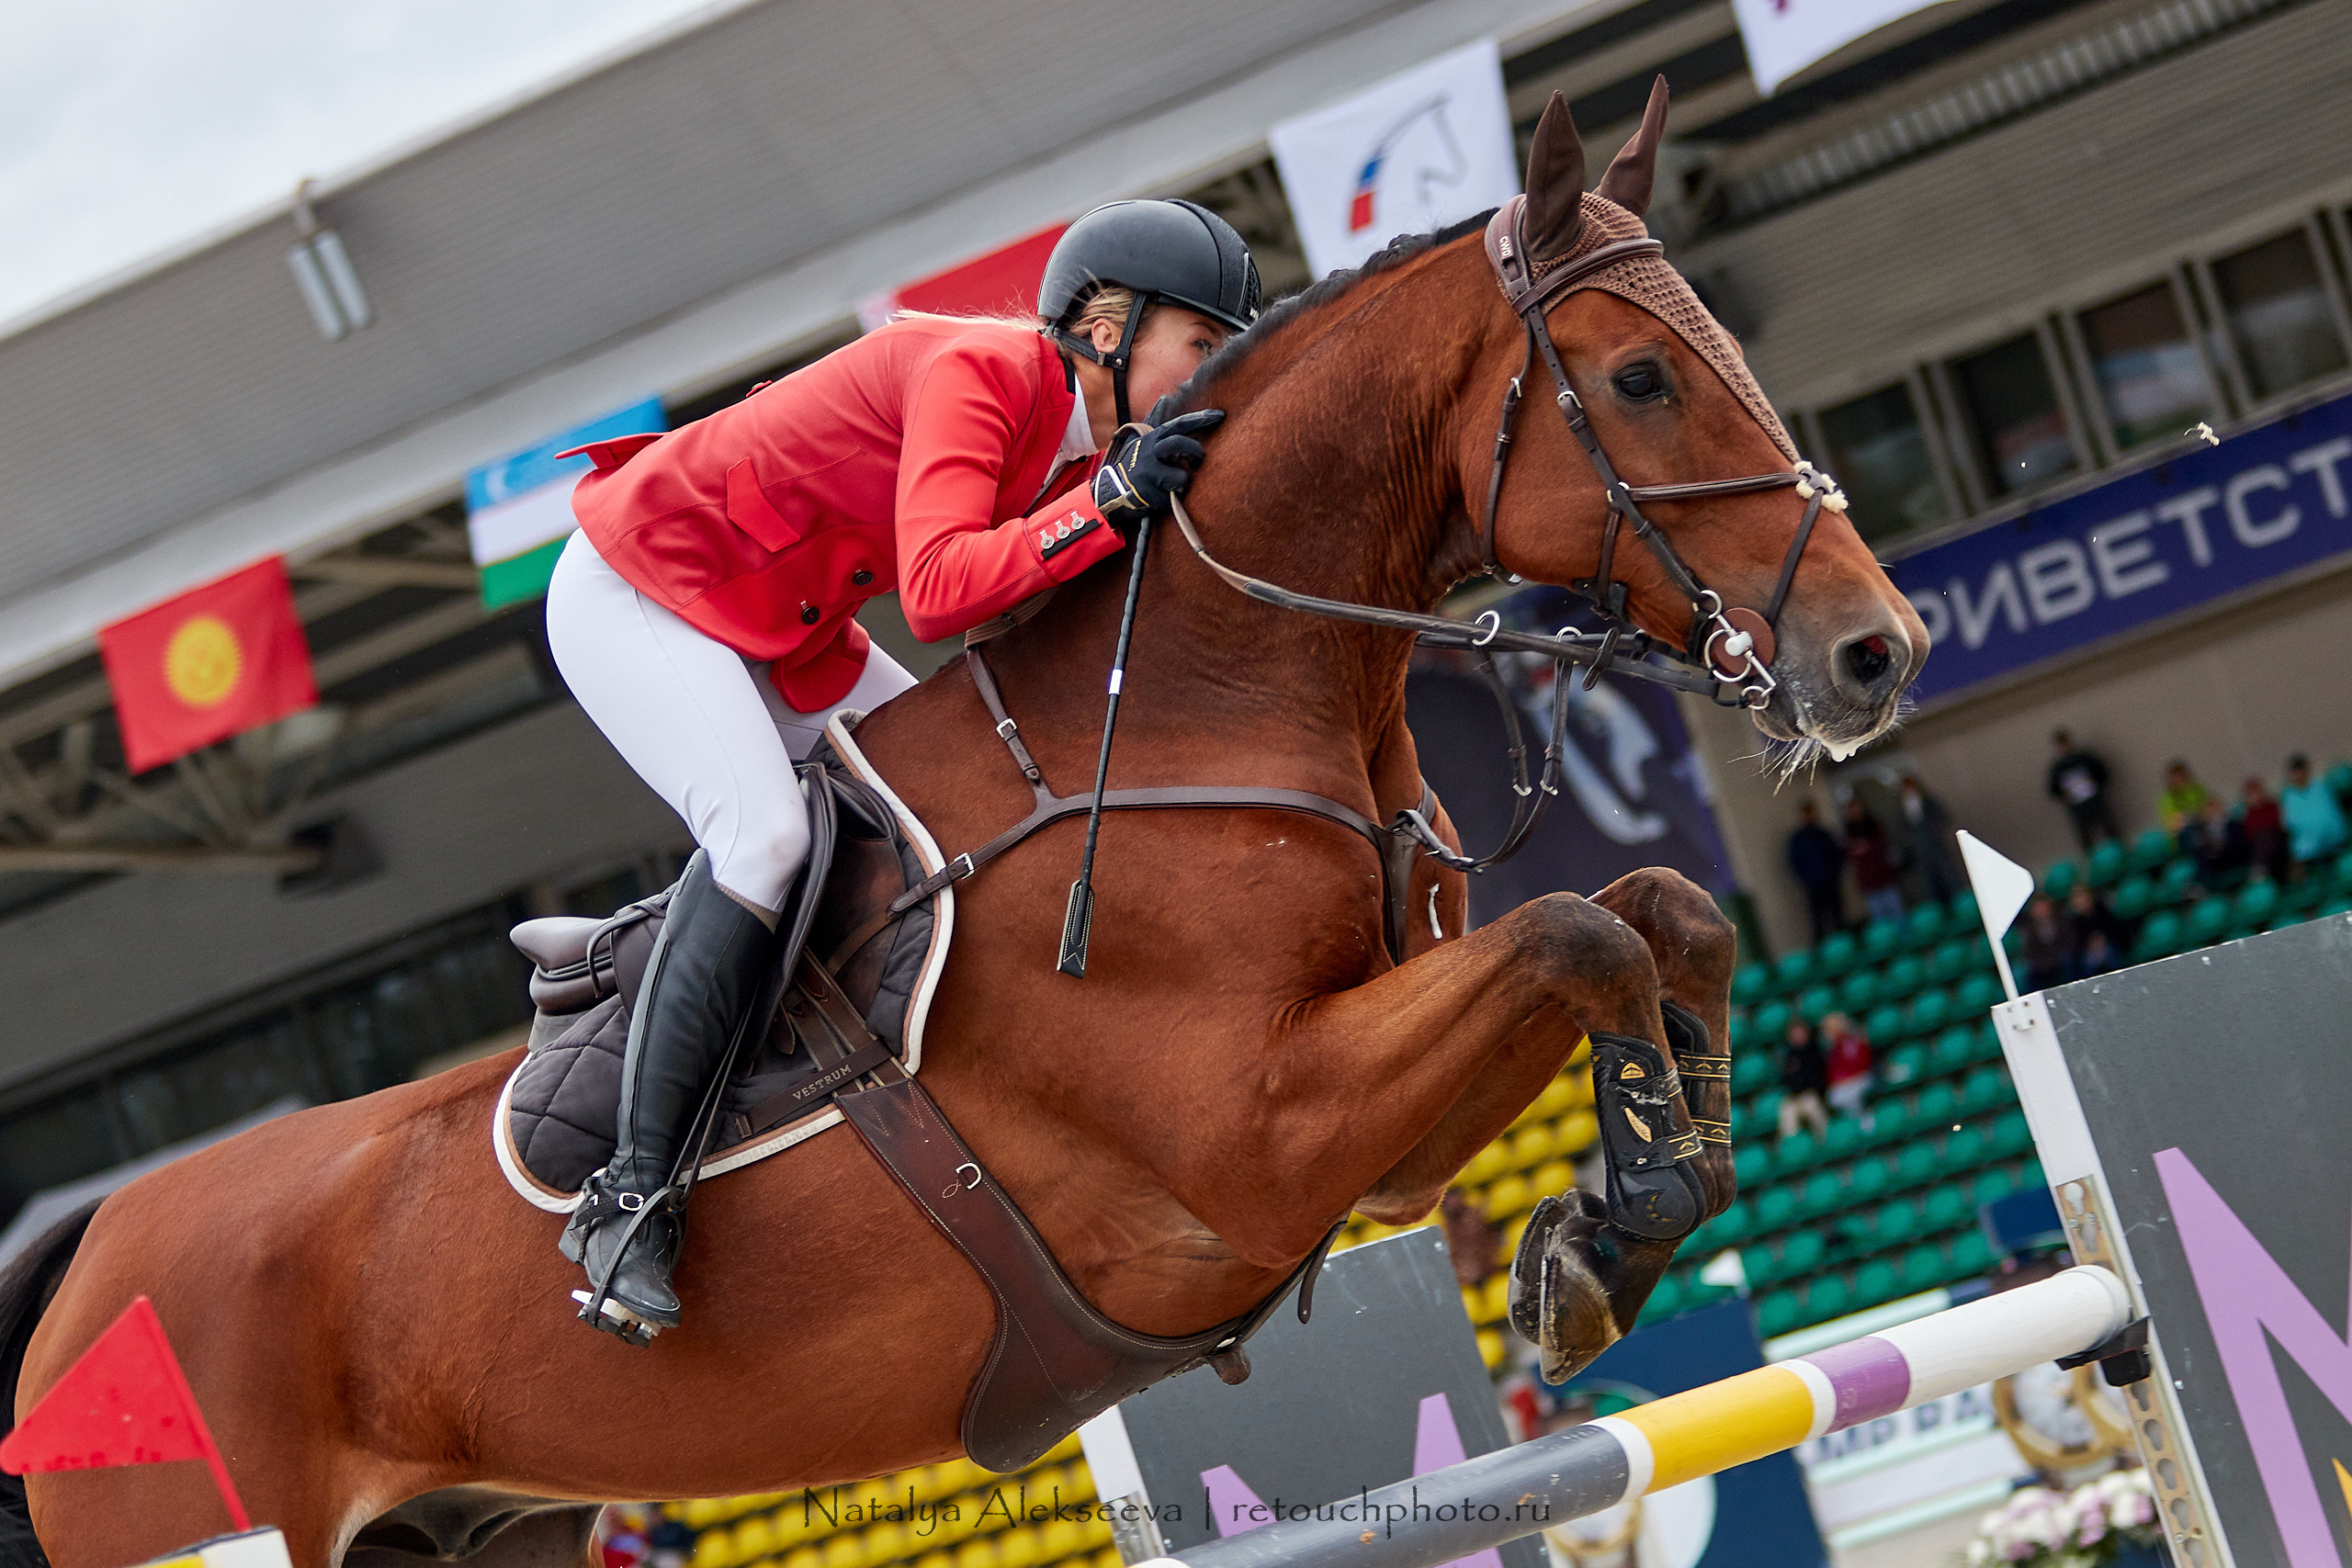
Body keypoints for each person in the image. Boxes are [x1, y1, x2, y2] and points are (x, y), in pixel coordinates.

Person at [539, 199, 1262, 1340]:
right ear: (1109, 329)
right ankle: (628, 1199)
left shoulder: (1076, 441)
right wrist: (1106, 505)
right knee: (766, 838)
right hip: (643, 588)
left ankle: (667, 967)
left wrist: (1116, 505)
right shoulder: (990, 370)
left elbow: (1021, 604)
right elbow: (936, 594)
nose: (1211, 374)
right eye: (1202, 343)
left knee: (962, 785)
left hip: (779, 625)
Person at [2047, 729, 2120, 851]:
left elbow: (2102, 772)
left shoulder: (2085, 759)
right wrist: (2066, 795)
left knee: (2107, 826)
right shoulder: (2058, 768)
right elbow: (2053, 789)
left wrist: (2096, 786)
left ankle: (2117, 849)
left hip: (2094, 800)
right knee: (2085, 835)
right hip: (2077, 806)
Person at [1895, 773, 1962, 906]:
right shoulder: (1902, 808)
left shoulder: (1927, 801)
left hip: (1935, 845)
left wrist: (1935, 830)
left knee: (1946, 875)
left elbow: (1944, 817)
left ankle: (1957, 902)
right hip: (1920, 849)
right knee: (1928, 881)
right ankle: (1937, 906)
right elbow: (1903, 829)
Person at [2279, 753, 2350, 874]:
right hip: (2308, 850)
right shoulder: (2289, 796)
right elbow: (2292, 824)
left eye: (2300, 771)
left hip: (2333, 841)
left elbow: (2330, 817)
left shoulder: (2320, 788)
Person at [1787, 800, 1846, 942]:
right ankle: (1824, 946)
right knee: (1818, 919)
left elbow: (1836, 855)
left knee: (1837, 915)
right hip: (1813, 885)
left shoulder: (1823, 834)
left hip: (1830, 881)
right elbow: (1796, 862)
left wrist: (1834, 874)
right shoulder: (1799, 839)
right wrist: (1807, 878)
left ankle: (1843, 944)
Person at [1842, 796, 1904, 925]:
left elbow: (1883, 844)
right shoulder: (1849, 830)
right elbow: (1849, 853)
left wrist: (1867, 847)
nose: (1855, 812)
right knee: (1878, 915)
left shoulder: (1873, 823)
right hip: (1867, 879)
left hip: (1883, 873)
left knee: (1896, 910)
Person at [1777, 1020, 1829, 1140]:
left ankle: (1825, 1138)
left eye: (1800, 1033)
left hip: (1813, 1094)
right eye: (1794, 1034)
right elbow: (1787, 1081)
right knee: (1786, 1109)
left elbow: (1819, 1077)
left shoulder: (1815, 1051)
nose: (1798, 1036)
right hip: (1796, 1097)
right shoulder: (1790, 1055)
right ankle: (1793, 1145)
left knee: (1811, 1104)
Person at [2182, 795, 2248, 888]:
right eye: (2209, 810)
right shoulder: (2201, 828)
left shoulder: (2233, 825)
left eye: (2214, 809)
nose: (2212, 813)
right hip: (2210, 858)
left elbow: (2236, 844)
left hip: (2228, 857)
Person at [1822, 1012, 1874, 1126]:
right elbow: (1832, 1073)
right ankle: (1853, 1126)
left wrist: (1846, 1079)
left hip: (1860, 1078)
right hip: (1843, 1085)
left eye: (1832, 1026)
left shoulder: (1852, 1041)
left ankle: (1865, 1124)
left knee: (1850, 1095)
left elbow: (1861, 1065)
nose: (1829, 1031)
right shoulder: (1831, 1048)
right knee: (1833, 1097)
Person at [2018, 895, 2073, 992]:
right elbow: (2030, 952)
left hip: (2060, 962)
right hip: (2040, 968)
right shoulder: (2029, 930)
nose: (2041, 911)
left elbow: (2068, 943)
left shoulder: (2061, 922)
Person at [2241, 775, 2289, 884]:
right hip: (2259, 850)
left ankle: (2260, 869)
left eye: (2255, 793)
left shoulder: (2272, 807)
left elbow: (2279, 826)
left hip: (2277, 846)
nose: (2254, 797)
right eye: (2250, 795)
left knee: (2266, 836)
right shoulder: (2248, 815)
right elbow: (2249, 836)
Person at [2156, 760, 2211, 841]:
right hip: (2181, 833)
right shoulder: (2167, 798)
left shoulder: (2196, 788)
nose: (2179, 781)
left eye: (2182, 777)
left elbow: (2208, 806)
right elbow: (2171, 822)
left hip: (2202, 825)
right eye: (2176, 779)